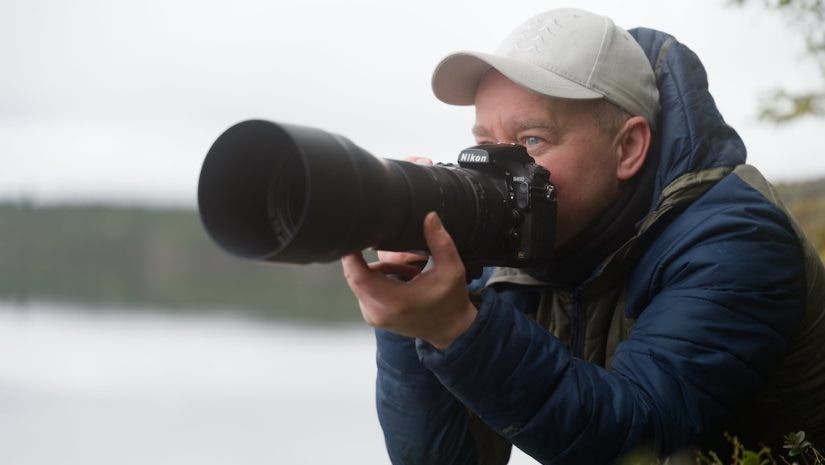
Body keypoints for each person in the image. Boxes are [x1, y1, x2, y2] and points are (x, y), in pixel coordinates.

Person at [341, 8, 825, 464]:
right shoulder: (521, 248)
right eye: (485, 142)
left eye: (531, 139)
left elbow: (634, 439)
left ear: (628, 147)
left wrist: (456, 328)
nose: (498, 167)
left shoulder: (735, 243)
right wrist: (414, 313)